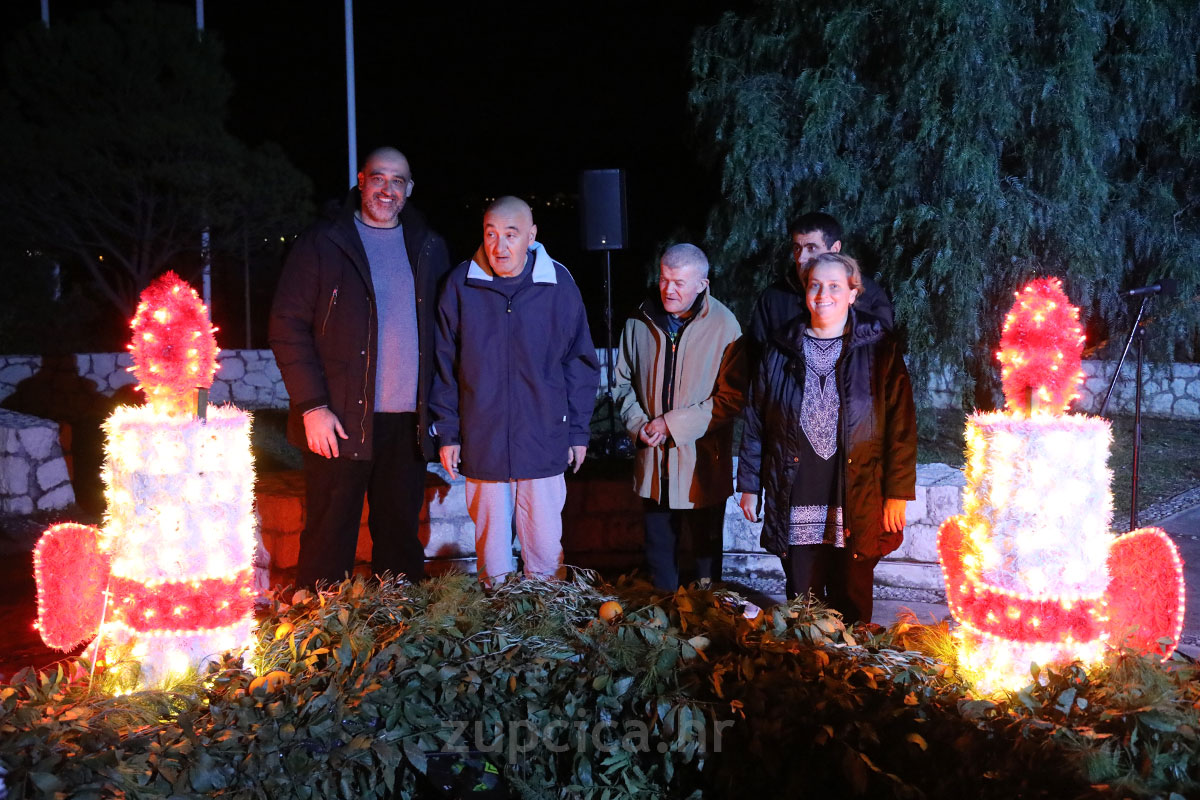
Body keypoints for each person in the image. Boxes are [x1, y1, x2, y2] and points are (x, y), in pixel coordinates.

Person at [269, 147, 451, 588]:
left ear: (409, 189)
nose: (387, 189)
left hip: (407, 425)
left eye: (397, 181)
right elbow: (286, 326)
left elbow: (448, 334)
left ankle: (400, 623)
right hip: (338, 419)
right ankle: (320, 622)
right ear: (361, 180)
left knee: (401, 543)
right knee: (329, 542)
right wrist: (312, 406)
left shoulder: (430, 247)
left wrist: (444, 418)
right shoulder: (323, 242)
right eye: (379, 178)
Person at [737, 252, 916, 624]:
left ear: (853, 294)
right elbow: (756, 419)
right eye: (815, 285)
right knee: (803, 604)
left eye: (835, 286)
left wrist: (897, 492)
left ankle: (853, 657)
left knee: (852, 594)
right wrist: (750, 485)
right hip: (796, 488)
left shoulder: (879, 348)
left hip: (856, 489)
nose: (823, 295)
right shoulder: (780, 348)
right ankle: (808, 656)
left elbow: (901, 427)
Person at [431, 196, 599, 583]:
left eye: (511, 234)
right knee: (492, 558)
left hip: (544, 439)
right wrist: (448, 432)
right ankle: (497, 612)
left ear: (531, 236)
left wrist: (577, 432)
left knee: (545, 552)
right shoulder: (460, 284)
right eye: (490, 234)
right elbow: (443, 366)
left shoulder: (558, 283)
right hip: (483, 441)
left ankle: (547, 613)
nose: (499, 246)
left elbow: (579, 363)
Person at [612, 243, 747, 590]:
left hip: (702, 467)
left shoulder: (725, 325)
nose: (668, 290)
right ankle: (663, 612)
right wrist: (638, 424)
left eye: (679, 283)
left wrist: (671, 425)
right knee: (659, 557)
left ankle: (706, 613)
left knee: (705, 563)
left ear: (702, 284)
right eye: (663, 279)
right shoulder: (639, 320)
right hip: (654, 464)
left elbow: (731, 398)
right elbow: (621, 382)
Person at [748, 212, 893, 362]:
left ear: (835, 248)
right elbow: (756, 355)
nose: (801, 258)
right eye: (797, 248)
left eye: (811, 248)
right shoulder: (774, 298)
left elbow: (884, 357)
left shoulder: (868, 294)